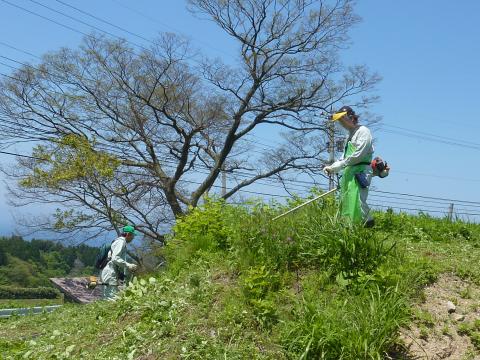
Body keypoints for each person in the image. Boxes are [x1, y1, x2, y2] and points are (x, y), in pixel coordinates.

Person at [323, 106, 375, 227]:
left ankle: (368, 226)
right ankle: (350, 227)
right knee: (348, 199)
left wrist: (340, 165)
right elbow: (344, 156)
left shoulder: (363, 131)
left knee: (359, 201)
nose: (341, 123)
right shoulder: (349, 135)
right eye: (339, 121)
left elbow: (358, 155)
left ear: (351, 117)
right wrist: (332, 167)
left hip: (361, 171)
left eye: (342, 119)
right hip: (350, 171)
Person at [101, 225, 138, 300]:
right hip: (110, 273)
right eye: (133, 235)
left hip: (111, 272)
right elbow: (115, 258)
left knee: (112, 296)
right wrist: (128, 265)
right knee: (111, 298)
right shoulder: (121, 242)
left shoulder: (119, 241)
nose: (133, 238)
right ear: (128, 234)